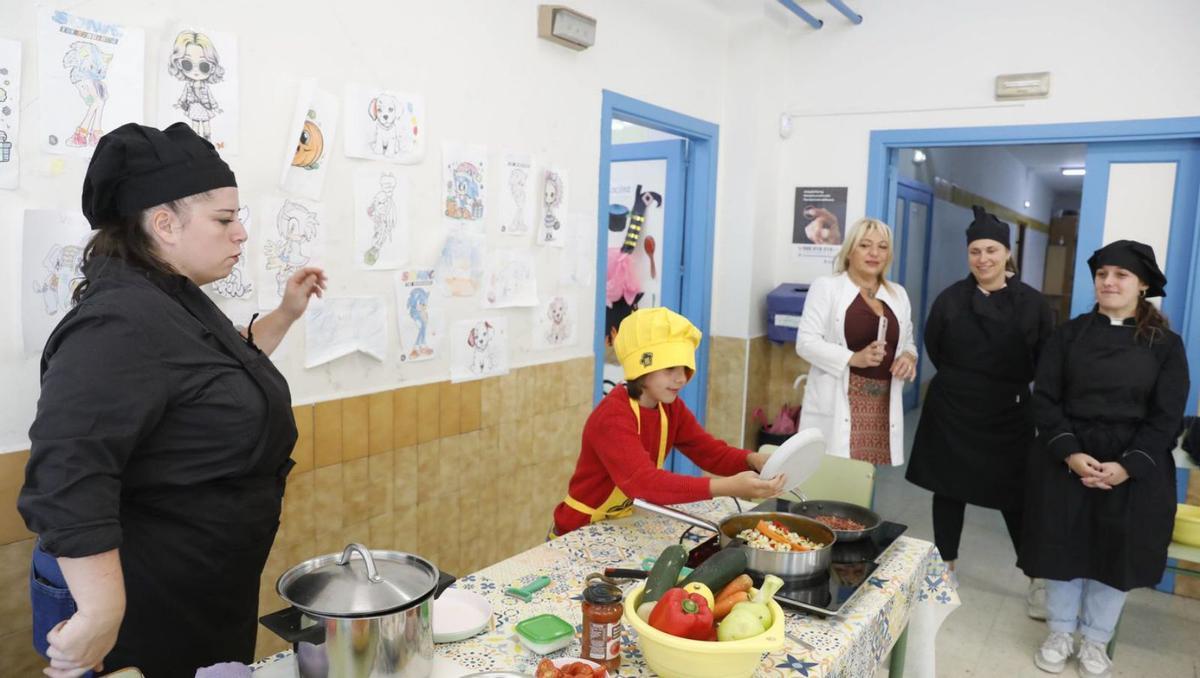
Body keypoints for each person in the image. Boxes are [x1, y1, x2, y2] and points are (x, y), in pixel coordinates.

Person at [18, 122, 326, 678]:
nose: (241, 236)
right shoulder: (118, 322)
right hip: (140, 599)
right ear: (164, 224)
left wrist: (285, 314)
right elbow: (67, 473)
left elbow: (222, 371)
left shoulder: (173, 301)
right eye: (225, 220)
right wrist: (102, 611)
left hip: (197, 585)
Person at [1018, 241, 1188, 678]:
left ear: (1142, 284)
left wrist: (1128, 465)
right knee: (1063, 547)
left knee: (1116, 554)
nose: (1109, 282)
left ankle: (1095, 641)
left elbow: (1167, 415)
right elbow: (1047, 399)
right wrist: (1071, 453)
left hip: (1133, 464)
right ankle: (1058, 632)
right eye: (1102, 274)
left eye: (1121, 275)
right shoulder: (1068, 335)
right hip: (1067, 456)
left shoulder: (1166, 345)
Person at [905, 207, 1053, 601]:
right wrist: (964, 382)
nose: (983, 259)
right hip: (953, 407)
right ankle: (945, 569)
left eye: (991, 250)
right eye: (975, 251)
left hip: (1010, 410)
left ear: (1007, 253)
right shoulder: (951, 299)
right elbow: (934, 344)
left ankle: (1036, 576)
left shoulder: (1034, 304)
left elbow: (1046, 357)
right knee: (948, 489)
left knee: (1017, 496)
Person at [551, 307, 785, 536]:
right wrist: (726, 487)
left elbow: (709, 452)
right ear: (641, 367)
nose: (681, 378)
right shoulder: (612, 416)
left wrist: (751, 460)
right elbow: (643, 483)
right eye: (670, 368)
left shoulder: (669, 408)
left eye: (684, 368)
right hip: (579, 528)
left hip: (621, 522)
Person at [795, 217, 917, 466]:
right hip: (842, 400)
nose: (874, 253)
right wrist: (853, 358)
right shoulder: (827, 288)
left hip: (880, 403)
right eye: (865, 245)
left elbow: (908, 341)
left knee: (862, 479)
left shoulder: (898, 294)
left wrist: (908, 357)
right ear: (850, 250)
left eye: (882, 247)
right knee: (831, 475)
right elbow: (805, 342)